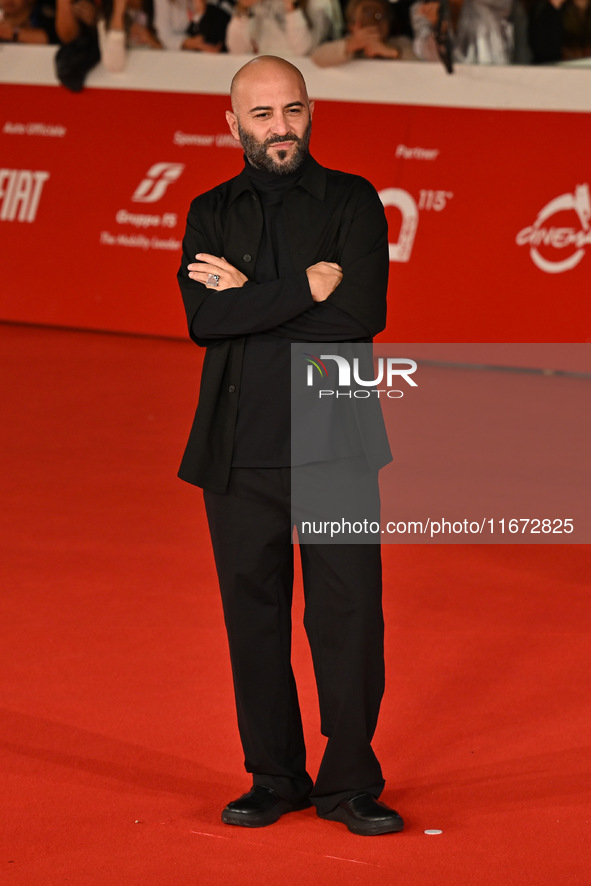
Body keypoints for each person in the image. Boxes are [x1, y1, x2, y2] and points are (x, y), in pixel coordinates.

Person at [177, 55, 403, 836]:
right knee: (255, 618)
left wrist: (249, 298)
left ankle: (350, 781)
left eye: (293, 110)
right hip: (238, 449)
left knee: (348, 616)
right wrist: (301, 289)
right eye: (263, 114)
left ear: (312, 113)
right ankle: (274, 775)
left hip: (334, 439)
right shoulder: (208, 212)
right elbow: (205, 323)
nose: (281, 128)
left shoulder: (352, 201)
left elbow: (358, 315)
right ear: (232, 123)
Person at [311, 0, 416, 65]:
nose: (373, 23)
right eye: (365, 16)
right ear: (352, 25)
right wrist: (353, 44)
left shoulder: (401, 43)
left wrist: (392, 52)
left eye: (380, 16)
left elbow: (421, 62)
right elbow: (318, 57)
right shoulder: (348, 44)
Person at [225, 0, 341, 56]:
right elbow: (237, 49)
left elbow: (303, 50)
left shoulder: (320, 3)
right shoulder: (257, 3)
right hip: (262, 68)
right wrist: (243, 8)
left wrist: (291, 7)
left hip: (304, 76)